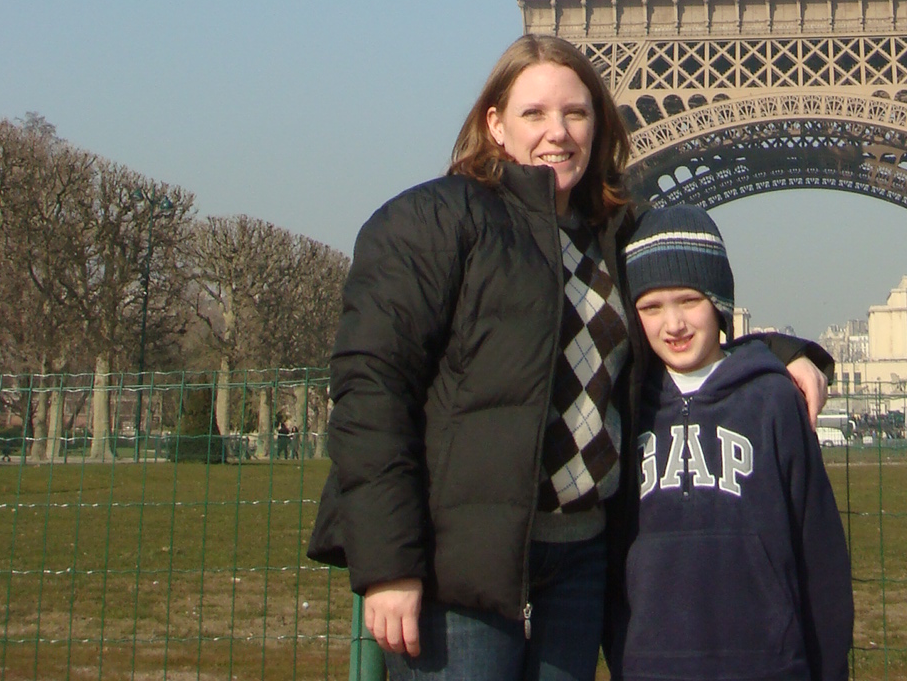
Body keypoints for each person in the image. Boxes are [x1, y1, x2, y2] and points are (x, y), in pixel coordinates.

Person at [307, 34, 832, 681]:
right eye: (534, 114)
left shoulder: (618, 239)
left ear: (599, 124)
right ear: (495, 123)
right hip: (461, 562)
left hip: (580, 559)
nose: (557, 132)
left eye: (576, 113)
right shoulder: (434, 221)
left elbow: (685, 321)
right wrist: (389, 565)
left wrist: (778, 354)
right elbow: (370, 390)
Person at [606, 206, 853, 681]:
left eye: (689, 301)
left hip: (767, 663)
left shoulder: (774, 398)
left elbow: (819, 554)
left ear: (719, 303)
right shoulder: (626, 405)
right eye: (651, 307)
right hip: (651, 665)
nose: (673, 323)